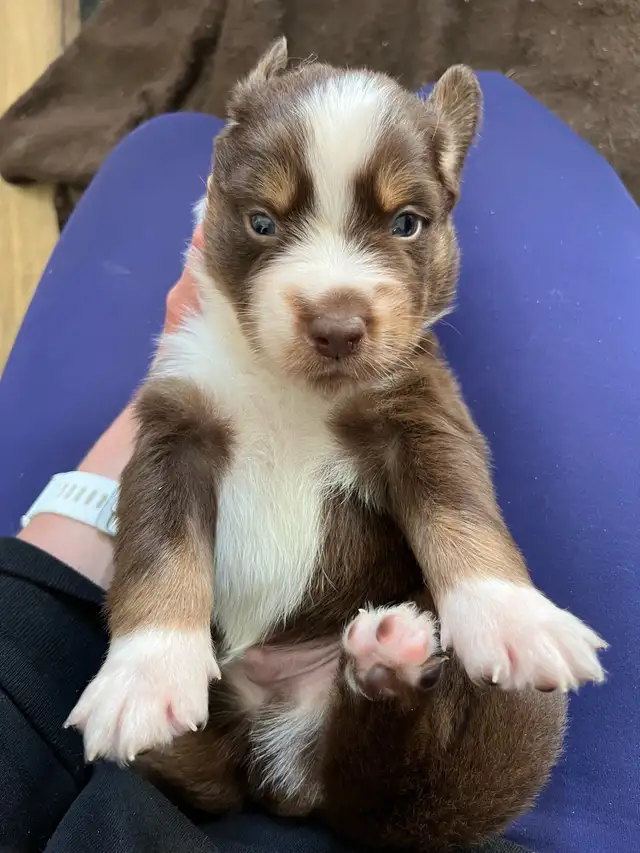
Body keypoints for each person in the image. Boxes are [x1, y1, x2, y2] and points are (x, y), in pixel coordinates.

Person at [0, 73, 638, 853]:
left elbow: (441, 472)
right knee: (172, 455)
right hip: (210, 731)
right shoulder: (205, 354)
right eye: (266, 222)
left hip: (350, 697)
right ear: (218, 210)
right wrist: (156, 637)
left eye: (404, 223)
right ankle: (377, 695)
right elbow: (166, 478)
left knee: (423, 457)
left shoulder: (402, 376)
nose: (335, 309)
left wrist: (485, 588)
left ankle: (385, 698)